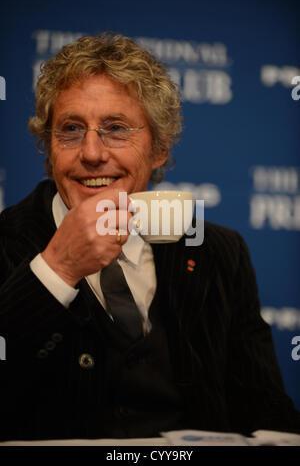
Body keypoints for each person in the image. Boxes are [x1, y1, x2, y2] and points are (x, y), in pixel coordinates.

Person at [0, 32, 299, 442]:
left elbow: (265, 411)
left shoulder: (216, 251)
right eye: (71, 129)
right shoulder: (5, 240)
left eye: (115, 128)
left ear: (158, 148)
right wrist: (58, 268)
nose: (91, 152)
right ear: (49, 147)